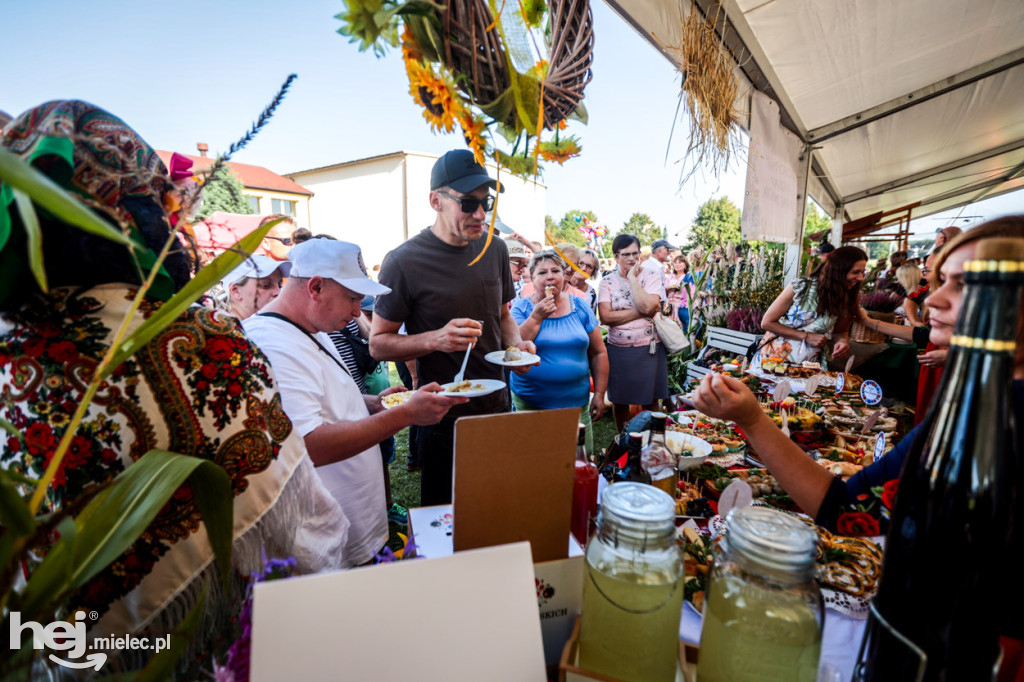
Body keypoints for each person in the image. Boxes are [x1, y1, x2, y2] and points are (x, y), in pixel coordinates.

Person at [0, 100, 349, 671]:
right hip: (212, 646)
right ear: (140, 211)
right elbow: (306, 529)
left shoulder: (10, 357)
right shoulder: (211, 339)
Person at [243, 239, 466, 563]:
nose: (356, 312)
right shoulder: (272, 344)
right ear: (316, 287)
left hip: (351, 524)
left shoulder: (310, 327)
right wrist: (404, 415)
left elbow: (321, 400)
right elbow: (308, 444)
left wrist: (372, 403)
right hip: (323, 538)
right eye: (352, 298)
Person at [369, 149, 535, 506]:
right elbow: (378, 344)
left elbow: (504, 315)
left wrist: (517, 345)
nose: (479, 214)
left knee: (497, 507)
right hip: (442, 415)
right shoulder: (403, 261)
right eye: (467, 203)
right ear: (436, 201)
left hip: (497, 404)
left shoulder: (495, 250)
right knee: (447, 517)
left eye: (485, 203)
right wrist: (436, 339)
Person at [510, 250, 609, 454]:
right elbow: (514, 349)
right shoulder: (521, 308)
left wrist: (599, 394)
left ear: (564, 276)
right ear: (532, 278)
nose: (550, 276)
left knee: (579, 465)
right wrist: (536, 318)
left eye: (555, 270)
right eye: (542, 272)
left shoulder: (580, 306)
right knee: (534, 465)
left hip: (575, 404)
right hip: (531, 402)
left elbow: (598, 352)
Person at [598, 233, 669, 431]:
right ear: (616, 256)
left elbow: (651, 306)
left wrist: (633, 279)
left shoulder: (651, 276)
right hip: (618, 349)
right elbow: (605, 317)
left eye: (635, 253)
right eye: (625, 254)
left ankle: (651, 439)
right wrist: (643, 310)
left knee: (651, 399)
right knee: (619, 400)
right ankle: (624, 439)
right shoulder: (607, 281)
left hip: (649, 348)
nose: (631, 258)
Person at [754, 245, 866, 367]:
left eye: (862, 272)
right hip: (772, 359)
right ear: (837, 270)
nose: (860, 278)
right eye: (856, 272)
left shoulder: (848, 297)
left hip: (810, 365)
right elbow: (767, 322)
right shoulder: (802, 286)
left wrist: (842, 341)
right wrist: (805, 336)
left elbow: (841, 331)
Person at [221, 253, 291, 320]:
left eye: (280, 285)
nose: (278, 292)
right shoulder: (221, 330)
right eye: (266, 285)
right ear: (235, 290)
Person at [666, 253, 694, 329]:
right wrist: (668, 288)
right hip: (670, 305)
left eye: (680, 262)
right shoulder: (670, 276)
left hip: (681, 305)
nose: (677, 264)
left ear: (685, 264)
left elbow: (691, 292)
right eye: (675, 263)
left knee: (680, 327)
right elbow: (664, 289)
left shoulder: (688, 276)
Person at [568, 247, 601, 313]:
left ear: (592, 273)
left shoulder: (591, 293)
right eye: (581, 263)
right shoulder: (561, 285)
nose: (583, 268)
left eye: (589, 266)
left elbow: (591, 321)